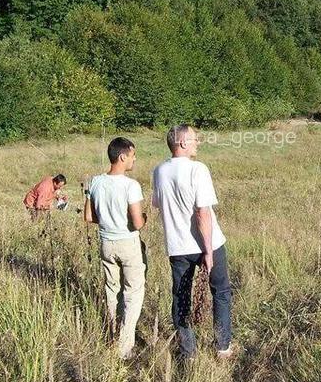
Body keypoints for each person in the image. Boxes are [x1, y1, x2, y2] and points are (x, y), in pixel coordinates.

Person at [152, 124, 233, 360]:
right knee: (220, 292)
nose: (198, 142)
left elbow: (157, 204)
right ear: (182, 143)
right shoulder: (197, 169)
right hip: (208, 244)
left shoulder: (159, 171)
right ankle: (222, 346)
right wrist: (208, 252)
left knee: (181, 297)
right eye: (195, 139)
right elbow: (202, 212)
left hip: (177, 246)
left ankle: (189, 352)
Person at [84, 137, 147, 360]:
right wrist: (144, 218)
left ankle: (112, 333)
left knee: (112, 290)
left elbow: (88, 216)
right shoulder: (131, 185)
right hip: (127, 243)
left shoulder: (95, 182)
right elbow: (137, 223)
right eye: (132, 155)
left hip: (105, 242)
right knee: (133, 293)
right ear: (122, 157)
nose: (134, 159)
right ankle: (124, 345)